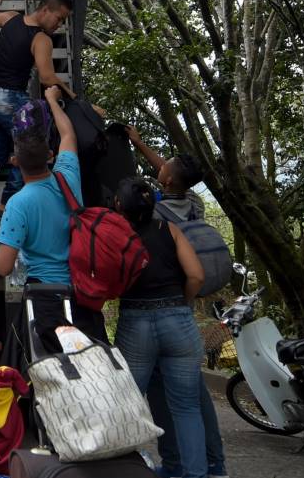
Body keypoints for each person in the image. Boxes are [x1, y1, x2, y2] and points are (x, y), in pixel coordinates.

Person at [126, 130, 226, 478]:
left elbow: (158, 183)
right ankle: (206, 469)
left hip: (145, 313)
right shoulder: (194, 205)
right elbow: (173, 176)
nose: (160, 166)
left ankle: (142, 465)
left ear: (165, 179)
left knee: (131, 397)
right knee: (189, 402)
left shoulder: (156, 210)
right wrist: (139, 142)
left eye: (164, 166)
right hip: (181, 310)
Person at [0, 87, 108, 347]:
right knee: (89, 367)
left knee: (53, 370)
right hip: (82, 292)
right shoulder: (68, 176)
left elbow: (2, 267)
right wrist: (51, 100)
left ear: (14, 162)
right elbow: (68, 133)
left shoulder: (18, 204)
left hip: (46, 300)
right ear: (50, 156)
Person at [112, 176, 206, 478]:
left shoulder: (117, 238)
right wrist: (181, 304)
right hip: (178, 320)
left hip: (135, 323)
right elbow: (196, 276)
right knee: (187, 407)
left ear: (118, 205)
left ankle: (122, 470)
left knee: (127, 403)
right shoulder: (171, 230)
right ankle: (194, 473)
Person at [0, 0, 75, 221]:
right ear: (45, 10)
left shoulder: (11, 18)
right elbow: (46, 77)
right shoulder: (42, 39)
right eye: (59, 18)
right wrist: (71, 94)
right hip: (11, 100)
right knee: (26, 152)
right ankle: (5, 208)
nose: (59, 25)